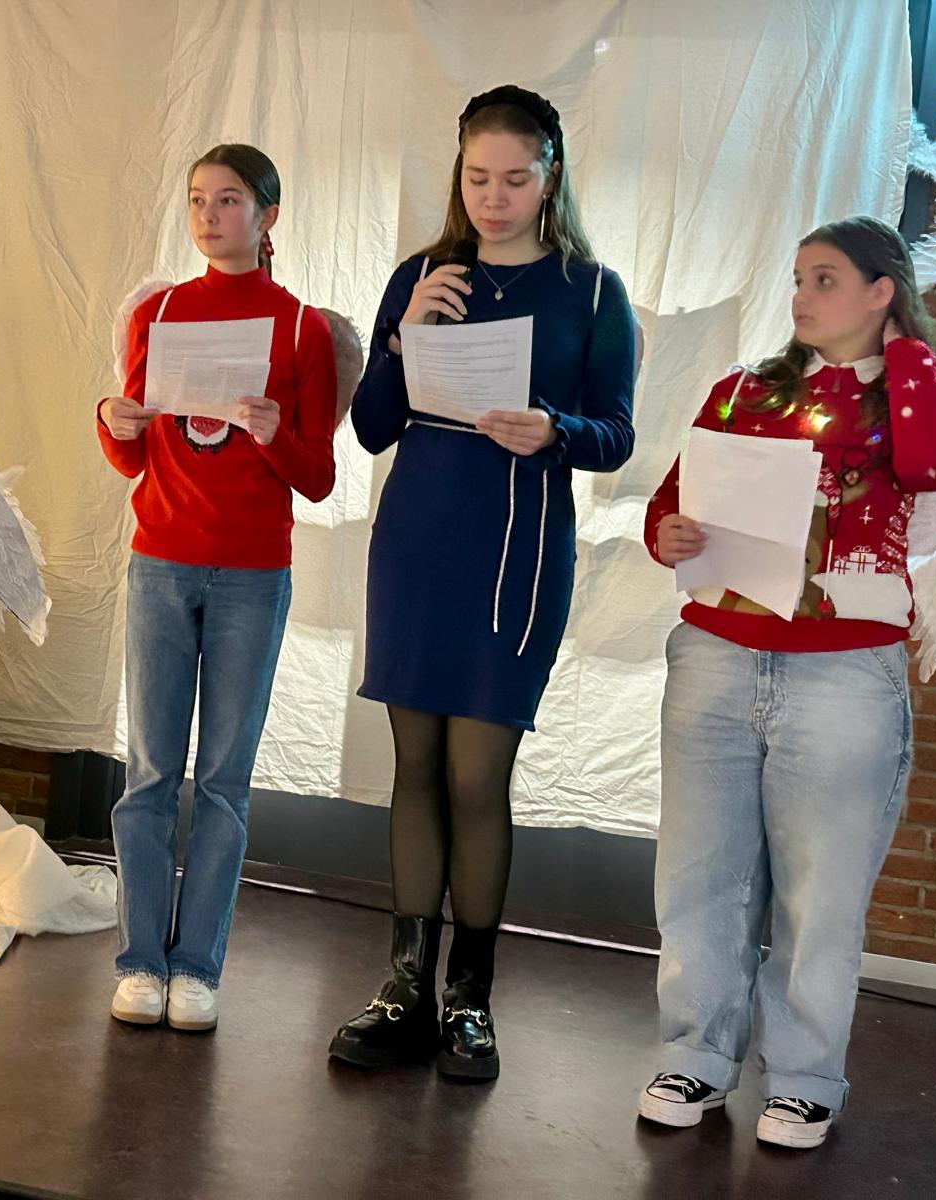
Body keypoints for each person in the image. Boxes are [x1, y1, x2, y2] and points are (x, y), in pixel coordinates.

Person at [637, 215, 936, 1148]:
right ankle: (695, 1055)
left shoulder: (914, 398)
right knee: (700, 873)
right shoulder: (744, 390)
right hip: (718, 654)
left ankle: (803, 1077)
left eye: (825, 279)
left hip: (843, 673)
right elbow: (672, 507)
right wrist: (670, 534)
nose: (801, 296)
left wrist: (904, 352)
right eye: (797, 279)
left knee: (820, 888)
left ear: (881, 291)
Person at [328, 85, 637, 1080]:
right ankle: (403, 987)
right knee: (414, 768)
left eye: (514, 178)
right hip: (417, 542)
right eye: (477, 178)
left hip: (514, 553)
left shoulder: (593, 292)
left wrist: (557, 428)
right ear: (457, 176)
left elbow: (616, 434)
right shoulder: (420, 275)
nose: (494, 197)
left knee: (475, 777)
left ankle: (470, 998)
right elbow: (371, 426)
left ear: (550, 176)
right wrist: (402, 333)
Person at [97, 144, 338, 1032]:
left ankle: (197, 966)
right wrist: (112, 421)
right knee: (151, 771)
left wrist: (274, 433)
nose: (209, 215)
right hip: (159, 560)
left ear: (267, 216)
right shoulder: (158, 312)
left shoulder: (303, 328)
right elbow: (133, 457)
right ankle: (140, 961)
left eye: (229, 200)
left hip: (252, 574)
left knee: (225, 780)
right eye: (198, 199)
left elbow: (318, 477)